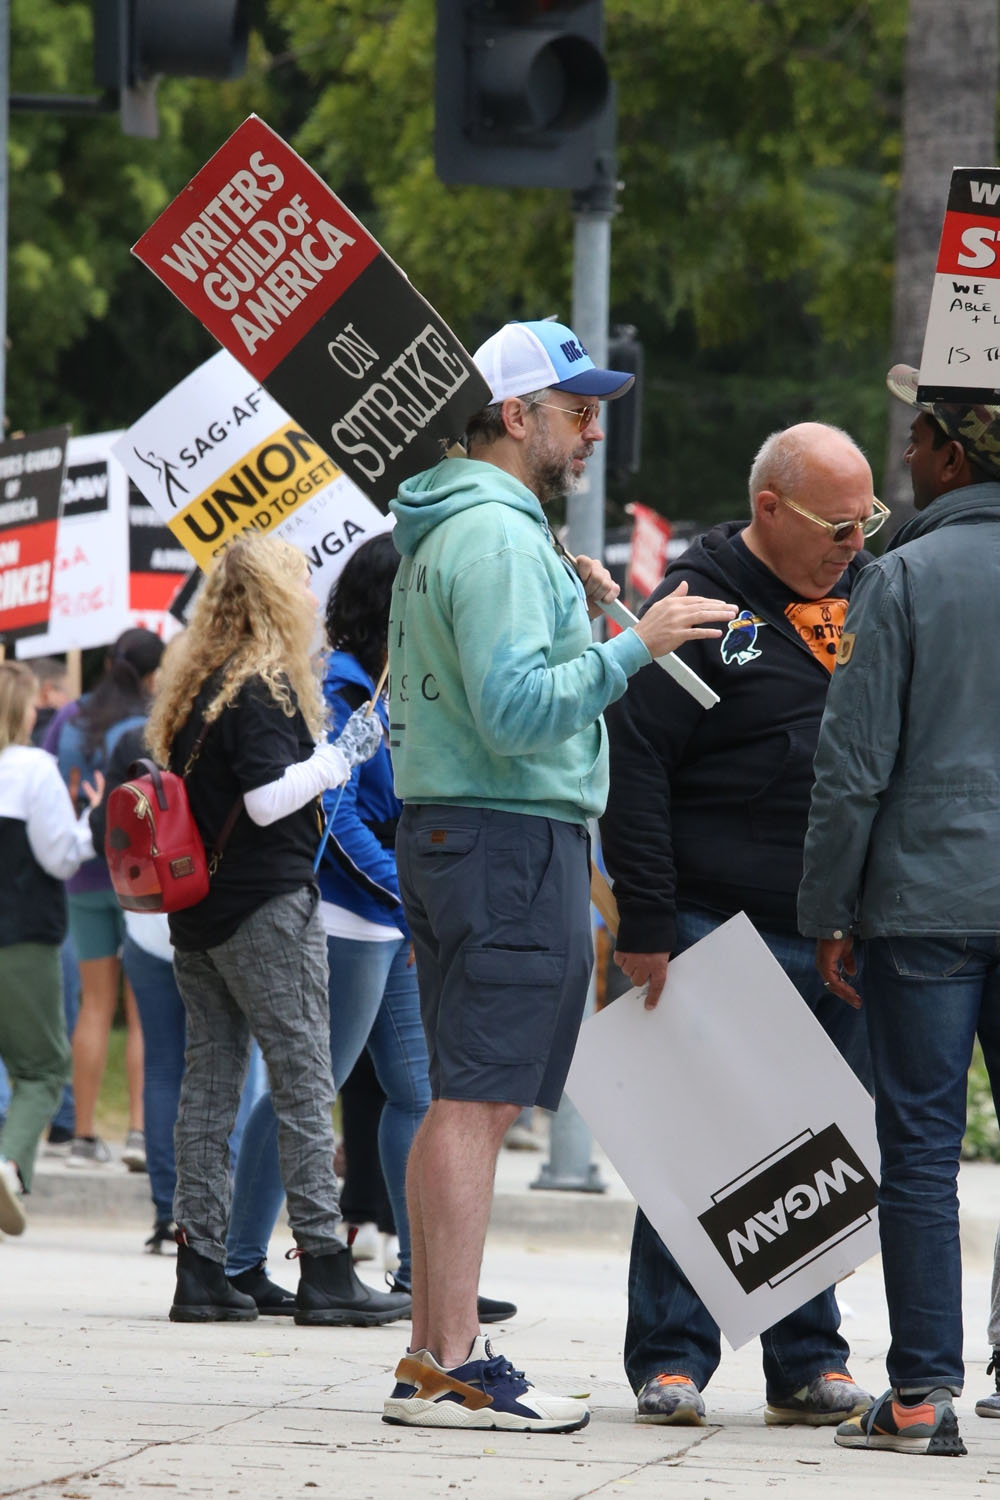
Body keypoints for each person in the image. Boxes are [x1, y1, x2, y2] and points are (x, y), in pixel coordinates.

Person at [381, 317, 737, 1432]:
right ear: (514, 415)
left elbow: (499, 692)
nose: (592, 433)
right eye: (577, 412)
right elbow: (516, 711)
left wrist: (581, 624)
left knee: (460, 1097)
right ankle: (450, 1363)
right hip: (505, 836)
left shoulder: (464, 525)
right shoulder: (495, 535)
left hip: (465, 831)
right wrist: (636, 644)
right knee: (478, 1101)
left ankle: (432, 1357)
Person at [600, 423, 880, 1430]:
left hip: (837, 924)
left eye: (865, 520)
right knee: (702, 1146)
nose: (854, 542)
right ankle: (672, 1358)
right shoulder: (694, 607)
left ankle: (806, 1361)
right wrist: (645, 919)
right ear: (769, 508)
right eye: (836, 525)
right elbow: (633, 763)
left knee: (817, 1153)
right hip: (712, 917)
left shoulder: (869, 593)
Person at [223, 534, 511, 1323]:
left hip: (386, 917)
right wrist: (407, 894)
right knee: (306, 1089)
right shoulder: (343, 686)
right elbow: (336, 813)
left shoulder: (400, 682)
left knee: (417, 1094)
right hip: (350, 917)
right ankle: (239, 1261)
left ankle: (426, 1275)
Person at [797, 365, 1000, 1459]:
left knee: (919, 1146)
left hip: (925, 901)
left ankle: (922, 1393)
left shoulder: (903, 577)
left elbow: (852, 768)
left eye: (918, 441)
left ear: (952, 458)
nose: (907, 457)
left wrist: (829, 909)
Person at [146, 531, 400, 1325]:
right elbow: (264, 801)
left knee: (211, 1086)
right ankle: (325, 1264)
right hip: (265, 906)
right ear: (275, 597)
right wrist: (339, 758)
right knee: (304, 1083)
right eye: (301, 580)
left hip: (200, 912)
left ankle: (201, 1268)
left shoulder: (199, 685)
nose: (312, 595)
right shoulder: (264, 687)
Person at [89, 700, 267, 1254]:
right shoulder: (231, 729)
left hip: (147, 923)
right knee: (231, 1064)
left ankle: (169, 1214)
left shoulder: (134, 738)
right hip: (213, 918)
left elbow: (104, 831)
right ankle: (221, 1208)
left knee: (165, 1066)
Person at [45, 627, 165, 1169]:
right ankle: (139, 1132)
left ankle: (83, 1136)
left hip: (82, 875)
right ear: (153, 673)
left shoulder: (70, 718)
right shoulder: (150, 724)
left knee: (93, 1005)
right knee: (141, 1010)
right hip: (137, 878)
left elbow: (49, 781)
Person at [0, 661, 103, 1236]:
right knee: (42, 1069)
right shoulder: (34, 769)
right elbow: (60, 856)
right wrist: (95, 819)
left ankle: (13, 1177)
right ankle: (10, 1165)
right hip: (21, 936)